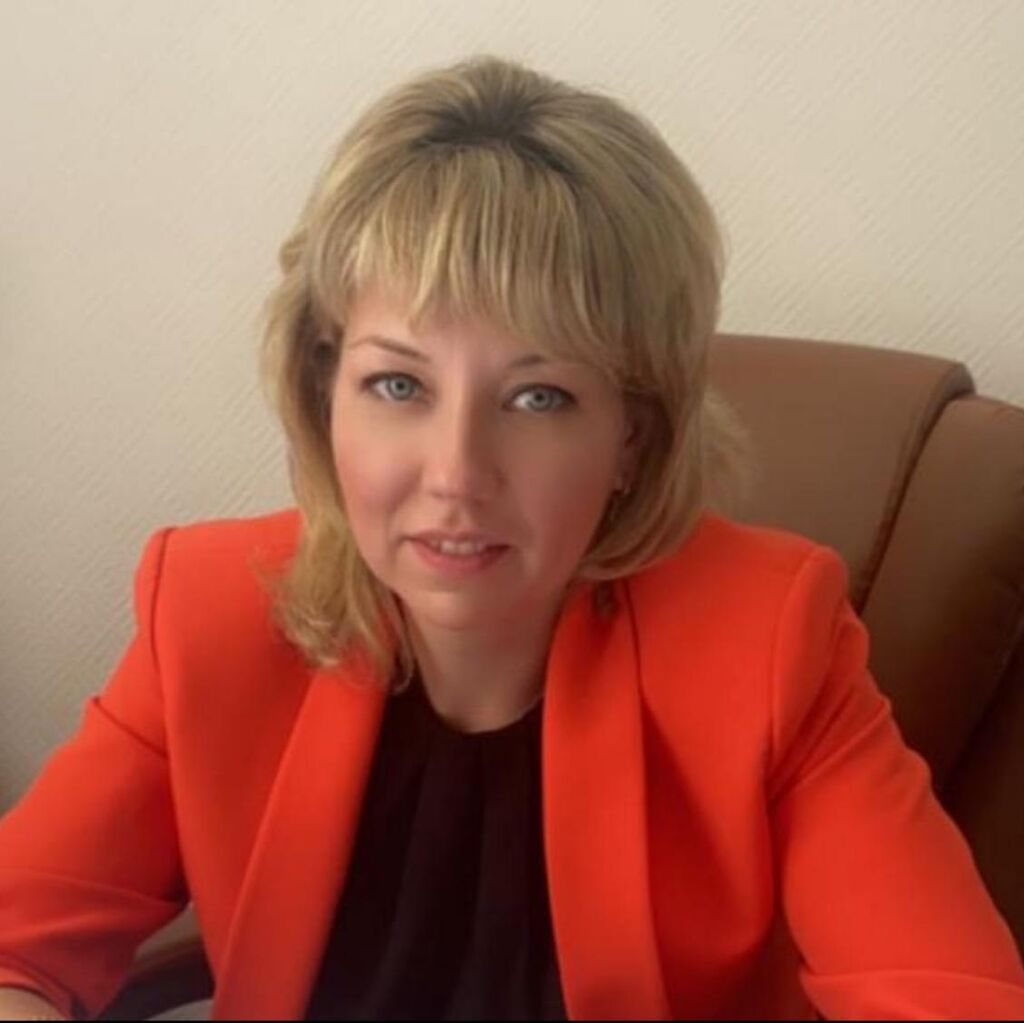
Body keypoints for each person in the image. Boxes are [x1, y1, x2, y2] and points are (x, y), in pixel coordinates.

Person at [1, 53, 1023, 1022]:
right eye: (397, 384)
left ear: (632, 434)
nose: (455, 473)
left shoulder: (768, 646)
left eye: (538, 397)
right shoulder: (207, 612)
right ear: (323, 392)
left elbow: (951, 998)